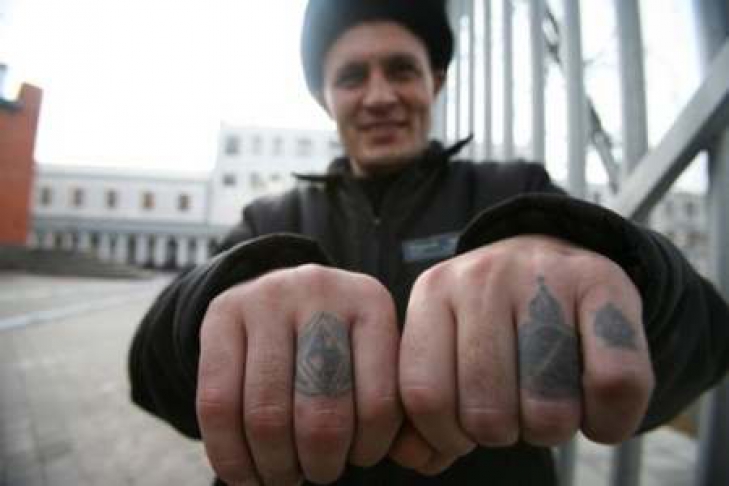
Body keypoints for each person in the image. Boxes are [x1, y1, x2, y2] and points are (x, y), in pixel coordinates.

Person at [128, 0, 729, 484]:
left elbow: (705, 341)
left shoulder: (518, 192)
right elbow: (152, 378)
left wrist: (619, 275)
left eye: (402, 69)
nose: (380, 96)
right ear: (324, 99)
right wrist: (217, 308)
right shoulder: (269, 219)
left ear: (436, 82)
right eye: (352, 76)